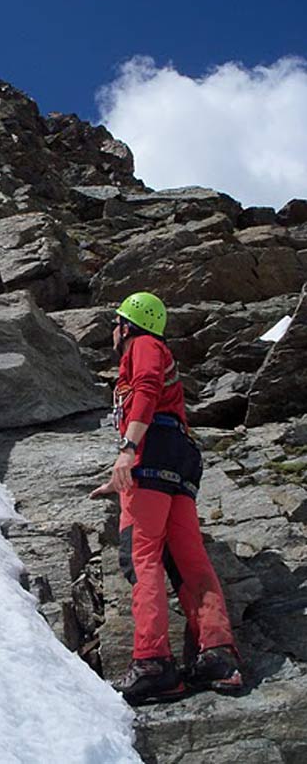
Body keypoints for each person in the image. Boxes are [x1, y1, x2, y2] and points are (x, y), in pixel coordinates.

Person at [90, 291, 243, 705]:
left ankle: (153, 663)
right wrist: (120, 474)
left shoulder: (142, 345)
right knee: (189, 559)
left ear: (127, 326)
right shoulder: (155, 347)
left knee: (141, 558)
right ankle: (217, 655)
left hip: (151, 451)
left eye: (116, 323)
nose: (113, 331)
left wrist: (128, 451)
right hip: (178, 456)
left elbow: (146, 388)